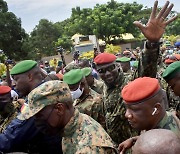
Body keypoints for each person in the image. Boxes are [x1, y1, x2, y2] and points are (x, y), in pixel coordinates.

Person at [94, 0, 177, 144]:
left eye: (111, 68)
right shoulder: (103, 89)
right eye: (102, 71)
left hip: (145, 145)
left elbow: (146, 71)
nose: (107, 74)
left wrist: (152, 44)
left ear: (118, 66)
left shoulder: (130, 82)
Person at [19, 80, 118, 154]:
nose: (36, 122)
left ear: (59, 109)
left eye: (39, 116)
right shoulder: (74, 123)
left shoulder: (87, 148)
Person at [0, 60, 62, 153]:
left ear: (29, 77)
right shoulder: (45, 92)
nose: (13, 84)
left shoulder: (39, 99)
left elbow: (10, 139)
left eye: (16, 79)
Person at [118, 77, 180, 153]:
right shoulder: (164, 118)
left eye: (134, 109)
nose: (127, 115)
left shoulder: (165, 145)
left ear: (156, 109)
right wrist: (134, 139)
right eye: (126, 108)